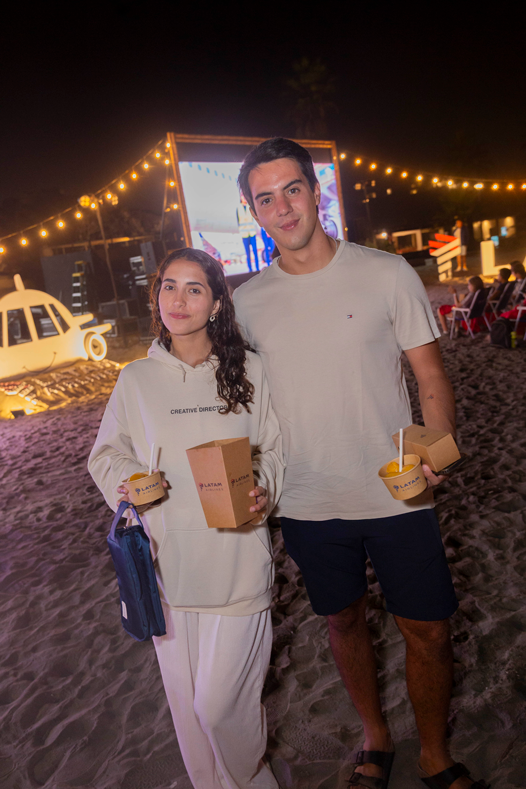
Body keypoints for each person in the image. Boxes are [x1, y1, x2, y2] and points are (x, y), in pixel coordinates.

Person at [233, 138, 490, 789]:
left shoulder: (386, 272)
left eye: (292, 188)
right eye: (266, 198)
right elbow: (237, 405)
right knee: (343, 620)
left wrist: (439, 445)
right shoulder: (245, 304)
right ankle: (376, 736)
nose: (283, 207)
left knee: (429, 629)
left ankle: (434, 752)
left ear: (315, 190)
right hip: (306, 498)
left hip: (398, 488)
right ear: (253, 211)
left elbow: (430, 375)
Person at [88, 248, 284, 789]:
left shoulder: (250, 370)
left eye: (194, 288)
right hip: (167, 570)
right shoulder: (136, 379)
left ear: (217, 302)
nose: (178, 299)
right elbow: (106, 454)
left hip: (238, 563)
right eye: (168, 287)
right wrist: (130, 480)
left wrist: (264, 489)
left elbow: (273, 448)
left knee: (219, 710)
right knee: (191, 723)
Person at [237, 193, 260, 272]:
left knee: (255, 251)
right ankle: (250, 269)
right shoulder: (238, 208)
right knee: (248, 252)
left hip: (252, 233)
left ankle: (257, 268)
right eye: (242, 197)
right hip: (244, 234)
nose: (244, 198)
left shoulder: (249, 207)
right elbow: (238, 221)